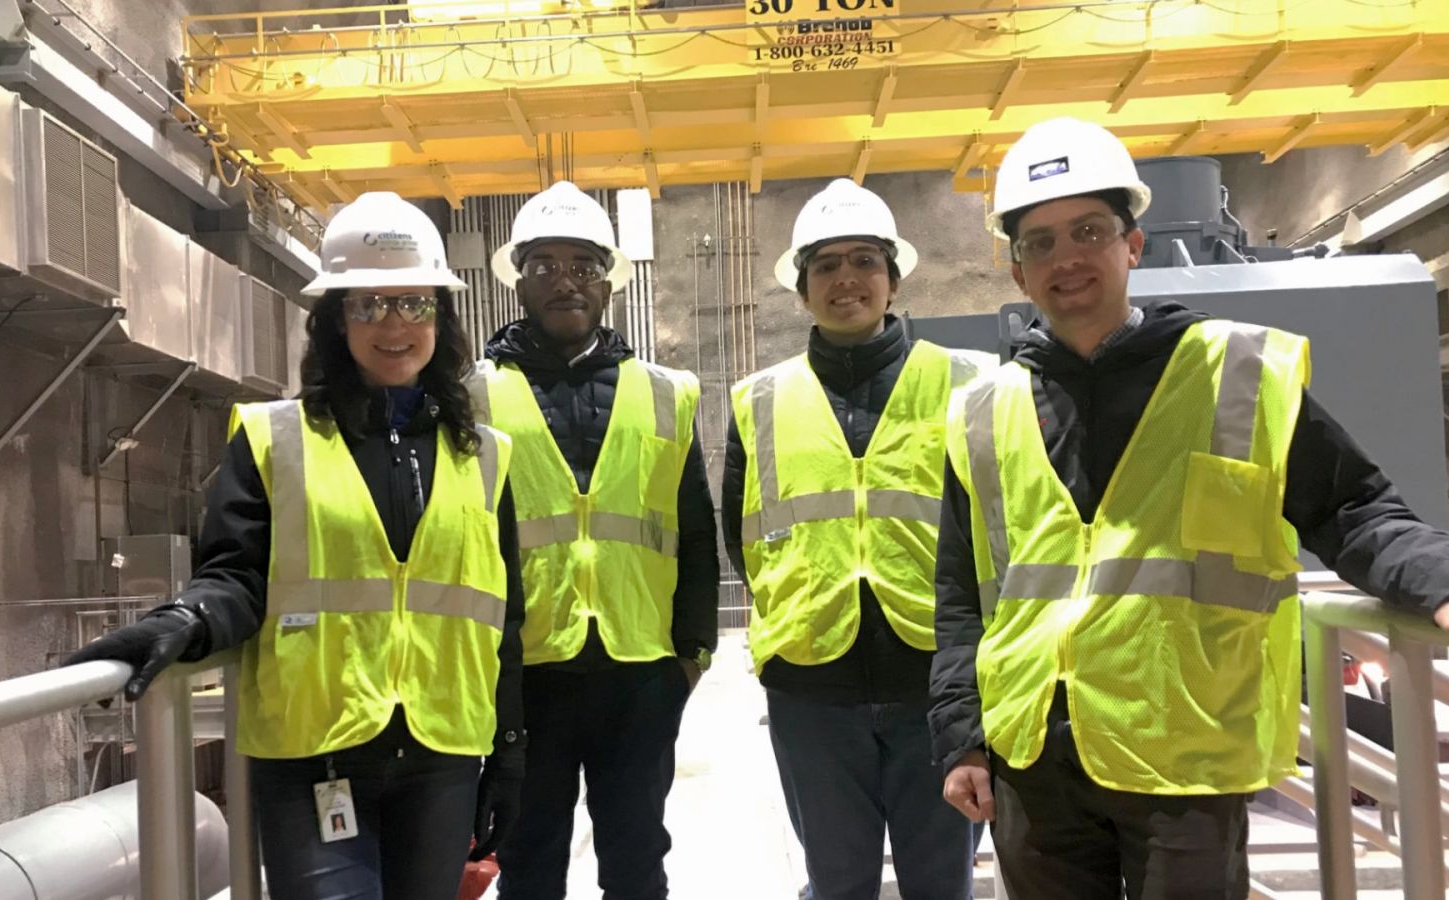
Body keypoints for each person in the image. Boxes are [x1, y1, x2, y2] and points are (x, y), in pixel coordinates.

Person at [929, 117, 1449, 899]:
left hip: (1182, 753)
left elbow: (1353, 508)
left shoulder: (1237, 373)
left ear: (1133, 246)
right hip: (1031, 757)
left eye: (1088, 230)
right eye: (1039, 243)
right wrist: (962, 739)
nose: (1066, 258)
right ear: (1018, 273)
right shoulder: (984, 409)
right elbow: (961, 596)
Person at [65, 192, 527, 900]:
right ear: (337, 320)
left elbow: (505, 617)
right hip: (315, 753)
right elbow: (237, 575)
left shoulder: (486, 454)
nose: (393, 324)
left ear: (441, 314)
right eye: (368, 304)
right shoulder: (273, 437)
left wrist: (509, 752)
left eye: (413, 303)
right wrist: (185, 620)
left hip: (445, 752)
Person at [722, 178, 989, 900]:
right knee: (836, 886)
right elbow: (740, 536)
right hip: (813, 690)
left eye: (865, 260)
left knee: (942, 883)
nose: (847, 279)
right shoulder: (759, 400)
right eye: (827, 265)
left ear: (894, 279)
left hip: (937, 685)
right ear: (802, 288)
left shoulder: (971, 384)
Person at [472, 181, 720, 900]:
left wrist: (692, 652)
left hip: (639, 671)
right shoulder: (475, 394)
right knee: (528, 858)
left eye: (581, 264)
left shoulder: (668, 392)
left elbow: (695, 532)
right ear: (518, 280)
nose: (564, 280)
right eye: (544, 265)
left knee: (638, 858)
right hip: (525, 673)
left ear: (608, 281)